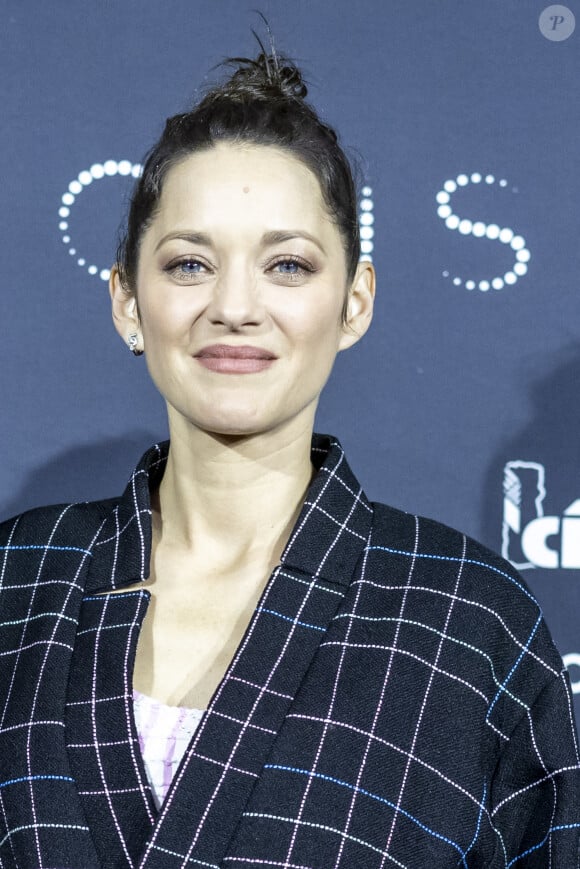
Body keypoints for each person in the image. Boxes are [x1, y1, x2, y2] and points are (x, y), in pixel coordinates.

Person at [0, 49, 579, 869]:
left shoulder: (468, 622)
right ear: (127, 300)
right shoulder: (17, 581)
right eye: (190, 264)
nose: (235, 307)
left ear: (355, 301)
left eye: (288, 265)